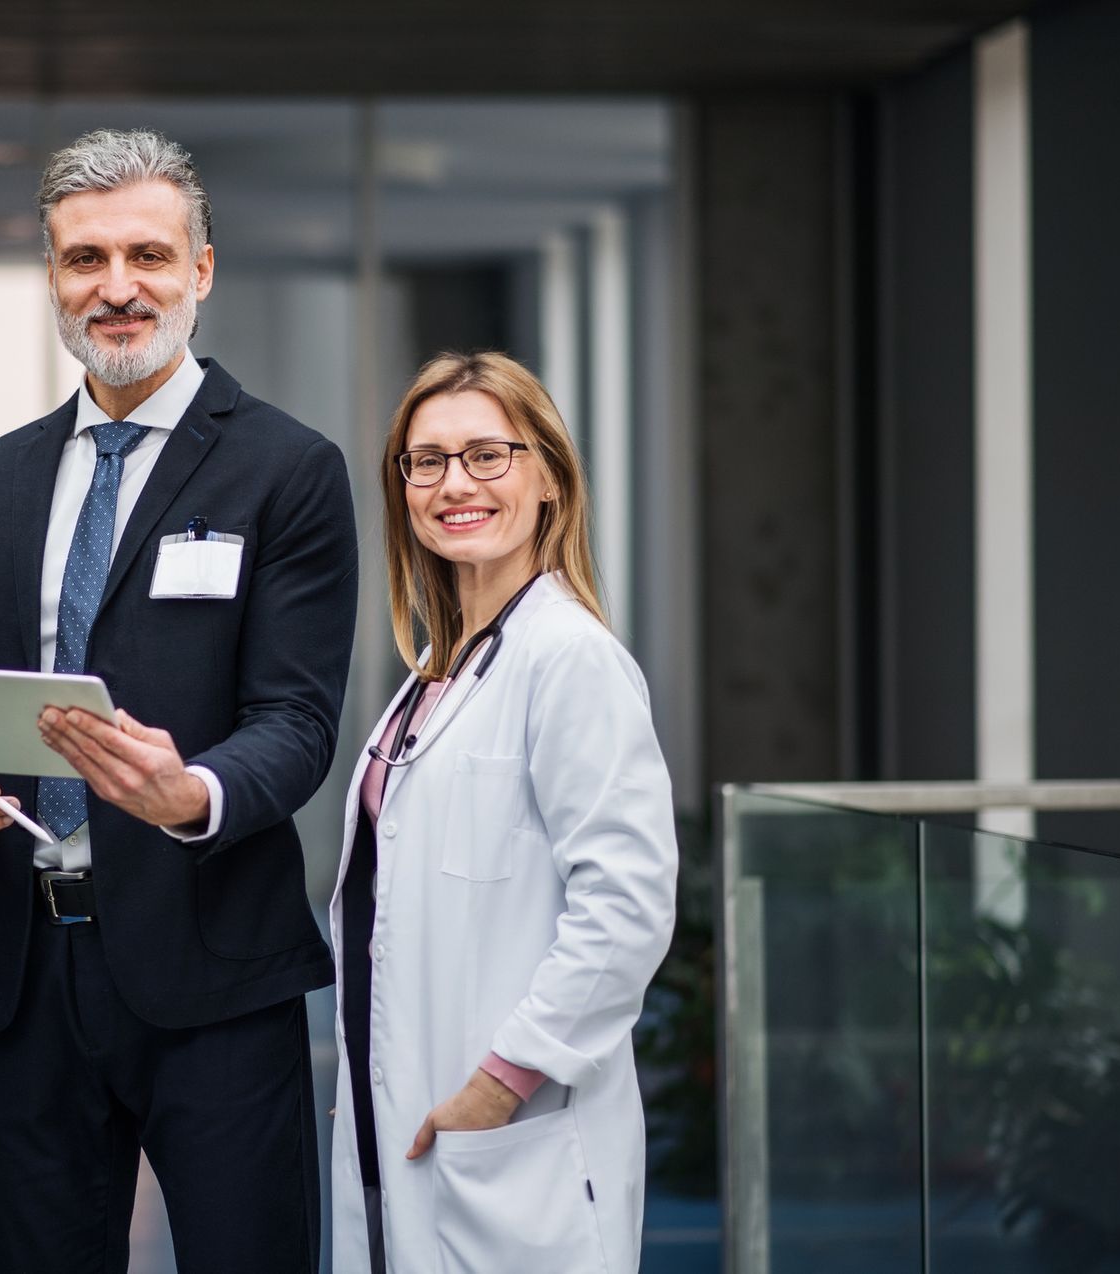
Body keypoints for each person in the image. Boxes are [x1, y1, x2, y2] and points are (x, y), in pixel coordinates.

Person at [0, 128, 357, 1273]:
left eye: (148, 254)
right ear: (52, 277)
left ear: (201, 268)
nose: (117, 287)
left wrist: (191, 789)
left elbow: (297, 720)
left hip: (211, 971)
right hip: (22, 974)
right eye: (84, 258)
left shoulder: (287, 472)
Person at [330, 352, 677, 1273]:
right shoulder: (436, 677)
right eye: (427, 461)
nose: (455, 484)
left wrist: (500, 1083)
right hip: (408, 1130)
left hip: (512, 1138)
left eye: (489, 455)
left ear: (550, 479)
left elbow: (627, 909)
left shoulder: (570, 659)